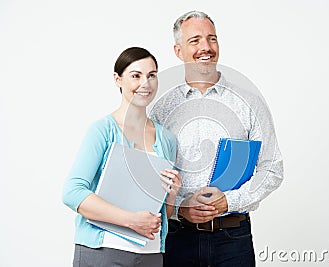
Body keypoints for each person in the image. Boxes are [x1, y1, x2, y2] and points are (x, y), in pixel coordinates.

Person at [149, 11, 284, 266]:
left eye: (212, 39)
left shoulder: (249, 103)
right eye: (195, 40)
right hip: (177, 239)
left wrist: (228, 201)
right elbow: (152, 174)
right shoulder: (162, 109)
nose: (206, 47)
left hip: (233, 239)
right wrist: (180, 207)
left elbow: (272, 168)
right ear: (178, 51)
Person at [62, 47, 182, 267]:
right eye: (136, 76)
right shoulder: (103, 130)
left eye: (152, 75)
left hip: (152, 254)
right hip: (104, 251)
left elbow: (163, 212)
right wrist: (132, 221)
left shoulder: (167, 139)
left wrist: (172, 196)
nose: (145, 83)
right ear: (118, 79)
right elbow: (72, 192)